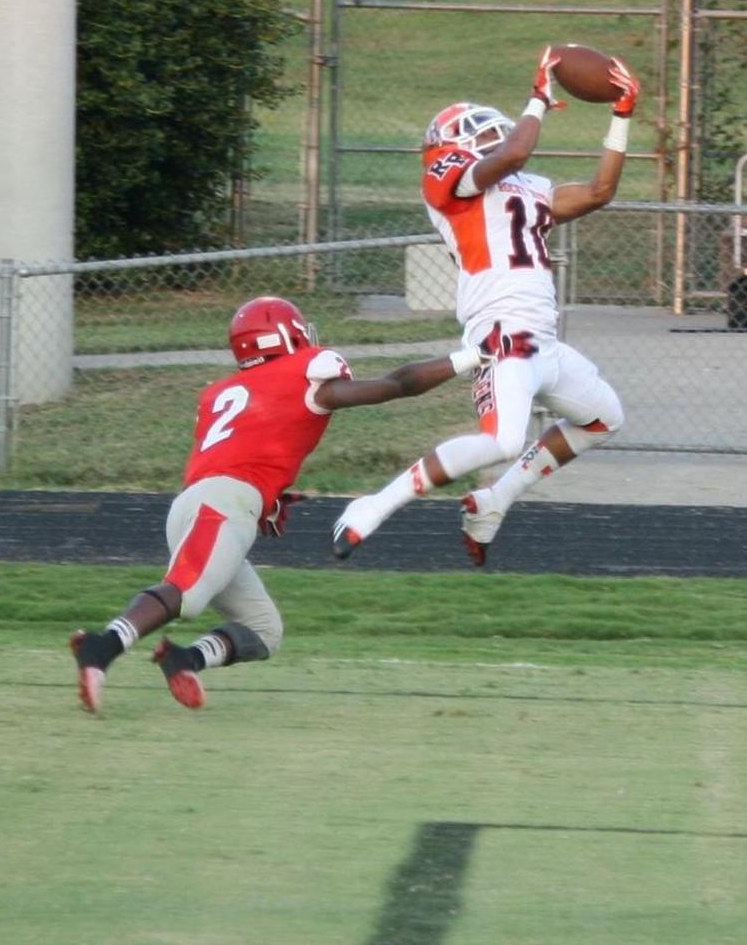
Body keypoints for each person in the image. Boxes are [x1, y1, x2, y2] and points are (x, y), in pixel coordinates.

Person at [69, 294, 535, 713]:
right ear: (283, 337)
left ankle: (183, 659)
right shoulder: (305, 371)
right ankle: (102, 647)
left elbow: (243, 448)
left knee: (265, 630)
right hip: (223, 504)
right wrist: (473, 356)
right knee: (187, 595)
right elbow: (399, 384)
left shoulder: (220, 392)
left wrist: (268, 497)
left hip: (210, 501)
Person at [331, 45, 639, 566]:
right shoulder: (447, 181)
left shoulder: (525, 187)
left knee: (604, 418)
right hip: (501, 333)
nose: (489, 131)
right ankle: (375, 505)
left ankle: (497, 499)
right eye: (475, 128)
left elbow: (598, 191)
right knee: (502, 440)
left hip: (541, 337)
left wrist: (622, 115)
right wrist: (539, 97)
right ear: (447, 146)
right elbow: (513, 153)